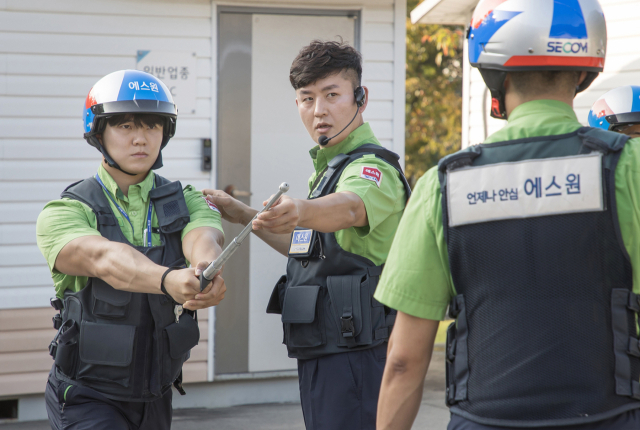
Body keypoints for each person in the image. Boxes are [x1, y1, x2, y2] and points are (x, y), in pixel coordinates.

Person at [374, 0, 640, 429]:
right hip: (610, 416)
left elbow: (404, 361)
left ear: (494, 76)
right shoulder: (629, 168)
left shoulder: (442, 185)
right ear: (583, 71)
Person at [203, 40, 411, 430]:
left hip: (357, 357)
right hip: (324, 350)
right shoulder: (331, 168)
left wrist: (302, 209)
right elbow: (309, 249)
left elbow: (351, 206)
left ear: (360, 98)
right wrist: (247, 215)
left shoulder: (371, 168)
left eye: (332, 95)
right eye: (307, 98)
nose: (319, 111)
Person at [36, 69, 227, 430]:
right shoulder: (65, 211)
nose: (141, 138)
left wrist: (204, 269)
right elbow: (104, 258)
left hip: (156, 396)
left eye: (152, 126)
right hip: (87, 396)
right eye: (125, 126)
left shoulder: (186, 200)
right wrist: (168, 279)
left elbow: (204, 236)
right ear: (98, 131)